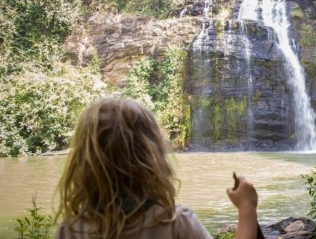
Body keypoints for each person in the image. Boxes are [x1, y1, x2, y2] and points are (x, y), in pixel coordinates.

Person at [55, 96, 259, 239]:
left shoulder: (71, 230)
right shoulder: (176, 223)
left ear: (82, 164)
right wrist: (247, 208)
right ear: (154, 158)